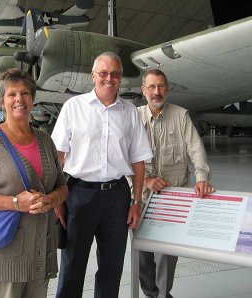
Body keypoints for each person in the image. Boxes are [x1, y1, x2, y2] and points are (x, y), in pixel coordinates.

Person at [51, 51, 153, 298]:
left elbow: (138, 162)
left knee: (111, 268)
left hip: (117, 197)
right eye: (104, 73)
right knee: (72, 266)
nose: (109, 78)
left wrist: (136, 202)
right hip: (78, 195)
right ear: (93, 76)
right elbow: (58, 158)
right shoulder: (73, 108)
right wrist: (56, 199)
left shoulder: (130, 113)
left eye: (115, 74)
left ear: (120, 78)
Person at [0, 68, 68, 298]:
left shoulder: (45, 139)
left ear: (33, 99)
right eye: (12, 94)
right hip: (6, 257)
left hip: (41, 253)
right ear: (2, 101)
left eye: (25, 93)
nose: (19, 99)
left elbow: (62, 185)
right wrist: (16, 202)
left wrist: (52, 200)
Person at [138, 68, 215, 298]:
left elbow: (196, 149)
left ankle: (162, 295)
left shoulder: (181, 116)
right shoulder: (134, 117)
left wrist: (201, 178)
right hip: (141, 199)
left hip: (173, 202)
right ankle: (151, 293)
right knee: (143, 256)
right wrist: (147, 181)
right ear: (143, 91)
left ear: (168, 89)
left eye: (161, 86)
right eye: (151, 87)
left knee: (167, 257)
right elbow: (123, 157)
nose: (157, 91)